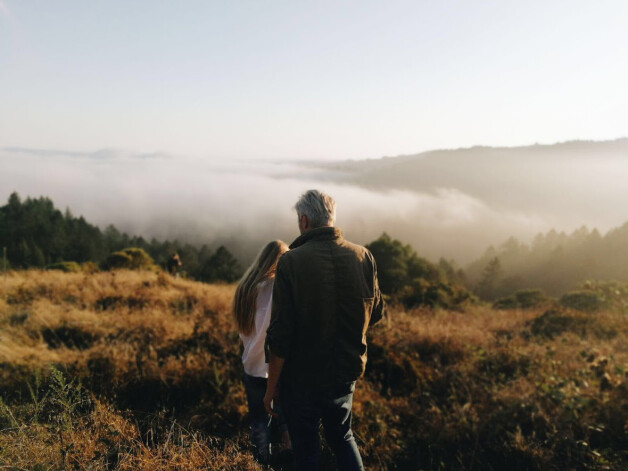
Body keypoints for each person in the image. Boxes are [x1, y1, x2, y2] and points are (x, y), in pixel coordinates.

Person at [264, 189, 385, 471]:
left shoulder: (291, 262)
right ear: (331, 218)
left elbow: (281, 334)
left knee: (305, 449)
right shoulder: (364, 257)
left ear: (304, 220)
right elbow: (376, 312)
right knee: (342, 437)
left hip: (301, 378)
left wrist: (271, 387)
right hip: (345, 373)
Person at [232, 240, 290, 464]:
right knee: (284, 414)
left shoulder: (246, 287)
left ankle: (260, 463)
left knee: (258, 420)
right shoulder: (277, 288)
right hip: (275, 366)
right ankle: (284, 458)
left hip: (251, 364)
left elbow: (244, 330)